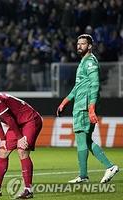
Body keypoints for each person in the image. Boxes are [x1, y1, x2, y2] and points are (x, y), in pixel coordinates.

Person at [57, 34, 119, 184]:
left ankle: (104, 168)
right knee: (86, 140)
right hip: (81, 103)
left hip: (84, 106)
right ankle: (88, 174)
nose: (79, 46)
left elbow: (95, 85)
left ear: (90, 46)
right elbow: (78, 86)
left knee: (81, 139)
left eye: (83, 44)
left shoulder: (90, 62)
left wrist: (91, 108)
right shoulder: (83, 62)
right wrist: (65, 101)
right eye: (78, 44)